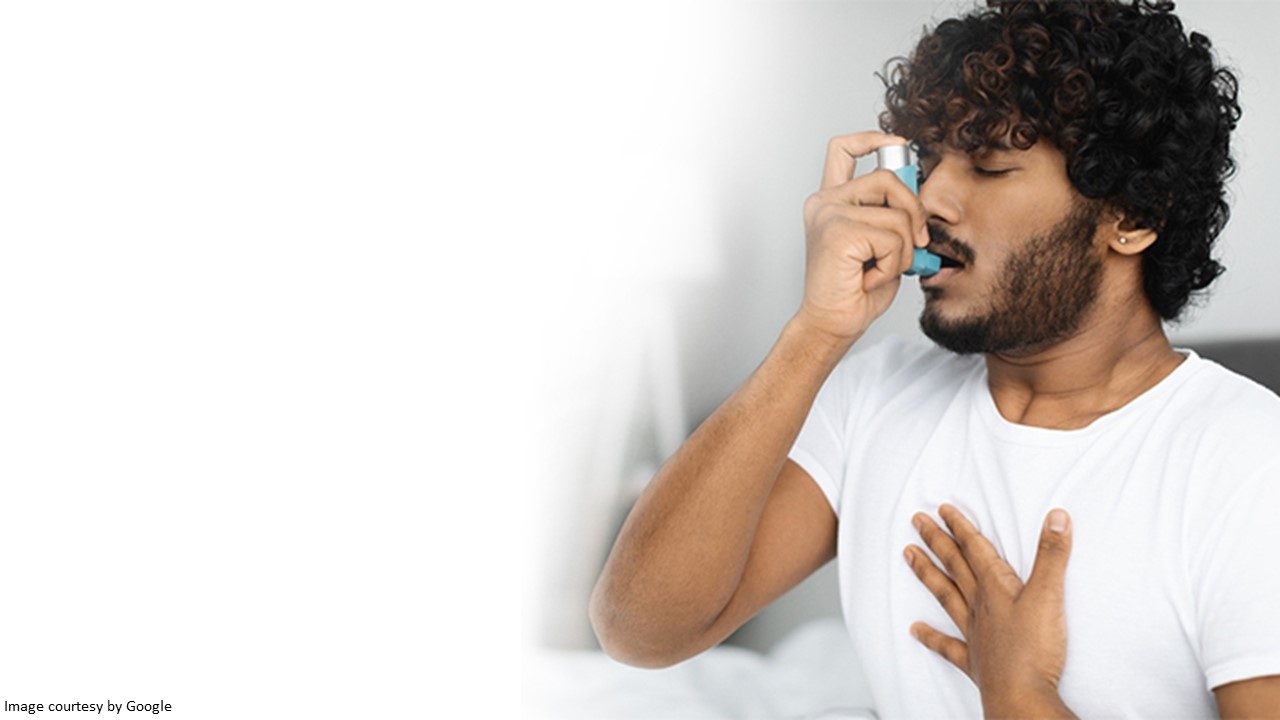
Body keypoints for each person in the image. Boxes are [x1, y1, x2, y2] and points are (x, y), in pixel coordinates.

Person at [589, 0, 1280, 716]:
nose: (930, 200)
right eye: (928, 160)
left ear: (1132, 217)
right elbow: (641, 630)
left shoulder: (1250, 462)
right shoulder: (875, 395)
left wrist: (1018, 694)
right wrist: (816, 333)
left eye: (988, 166)